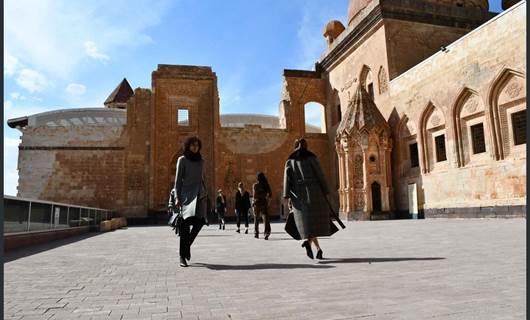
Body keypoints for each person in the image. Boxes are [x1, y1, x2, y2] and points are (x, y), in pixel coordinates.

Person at [283, 138, 337, 260]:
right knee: (313, 224)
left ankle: (317, 249)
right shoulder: (311, 157)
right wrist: (325, 190)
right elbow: (320, 174)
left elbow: (287, 179)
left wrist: (288, 196)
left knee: (309, 225)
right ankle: (312, 246)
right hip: (314, 193)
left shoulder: (290, 161)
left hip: (298, 196)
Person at [174, 136, 208, 267]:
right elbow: (177, 182)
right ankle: (182, 256)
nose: (195, 147)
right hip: (186, 196)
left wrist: (206, 192)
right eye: (192, 145)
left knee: (200, 222)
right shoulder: (182, 160)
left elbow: (202, 178)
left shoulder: (201, 161)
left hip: (199, 195)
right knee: (184, 226)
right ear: (188, 146)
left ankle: (186, 247)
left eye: (197, 145)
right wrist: (177, 197)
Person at [252, 172, 272, 240]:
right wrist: (268, 202)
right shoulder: (266, 185)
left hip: (257, 203)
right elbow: (270, 195)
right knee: (266, 219)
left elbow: (254, 196)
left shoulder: (255, 185)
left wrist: (253, 203)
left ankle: (256, 233)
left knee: (256, 218)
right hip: (264, 203)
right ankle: (266, 233)